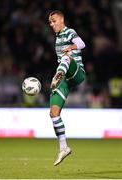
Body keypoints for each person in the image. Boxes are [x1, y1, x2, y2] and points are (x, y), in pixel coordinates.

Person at [48, 10, 86, 166]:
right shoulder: (57, 39)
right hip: (65, 79)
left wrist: (71, 47)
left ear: (62, 20)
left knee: (66, 57)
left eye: (54, 20)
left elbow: (82, 44)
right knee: (54, 113)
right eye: (50, 22)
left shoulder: (69, 31)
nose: (52, 24)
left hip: (76, 72)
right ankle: (63, 148)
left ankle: (58, 74)